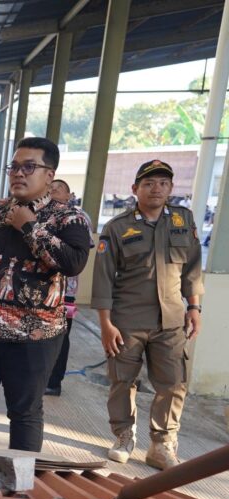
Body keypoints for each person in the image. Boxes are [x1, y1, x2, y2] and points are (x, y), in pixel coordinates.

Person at [0, 137, 91, 463]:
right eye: (14, 167)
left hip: (33, 338)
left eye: (29, 167)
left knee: (24, 412)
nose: (19, 173)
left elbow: (72, 263)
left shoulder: (68, 218)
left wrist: (29, 227)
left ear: (49, 175)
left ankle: (21, 486)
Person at [92, 159, 203, 470]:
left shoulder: (183, 221)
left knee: (173, 383)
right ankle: (123, 436)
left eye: (163, 183)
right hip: (127, 320)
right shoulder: (117, 228)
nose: (157, 189)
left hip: (171, 320)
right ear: (135, 189)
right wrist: (105, 323)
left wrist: (194, 307)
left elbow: (192, 267)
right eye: (149, 183)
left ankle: (162, 445)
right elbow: (102, 278)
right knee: (122, 381)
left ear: (170, 188)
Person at [44, 178, 80, 397]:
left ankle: (54, 381)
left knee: (60, 337)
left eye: (59, 189)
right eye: (51, 189)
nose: (54, 192)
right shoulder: (40, 215)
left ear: (68, 195)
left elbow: (76, 257)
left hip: (65, 292)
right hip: (42, 290)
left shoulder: (76, 219)